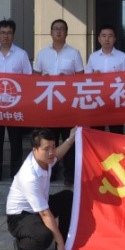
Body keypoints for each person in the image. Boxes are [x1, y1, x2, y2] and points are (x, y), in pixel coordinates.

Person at [6, 127, 75, 250]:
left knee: (68, 197)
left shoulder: (45, 159)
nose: (51, 152)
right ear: (35, 149)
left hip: (37, 208)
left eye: (53, 147)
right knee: (44, 237)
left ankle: (60, 245)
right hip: (19, 217)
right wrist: (60, 242)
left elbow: (57, 155)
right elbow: (45, 213)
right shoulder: (29, 176)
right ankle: (20, 244)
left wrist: (70, 138)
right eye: (46, 149)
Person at [33, 19, 84, 186]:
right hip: (49, 104)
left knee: (69, 139)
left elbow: (81, 78)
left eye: (62, 29)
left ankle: (70, 175)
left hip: (67, 104)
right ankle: (50, 172)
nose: (59, 31)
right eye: (55, 29)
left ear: (66, 33)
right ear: (51, 32)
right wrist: (44, 78)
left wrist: (67, 79)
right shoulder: (42, 53)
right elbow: (34, 78)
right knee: (49, 139)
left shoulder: (74, 53)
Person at [0, 19, 32, 184]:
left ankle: (16, 173)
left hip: (15, 105)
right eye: (2, 33)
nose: (5, 36)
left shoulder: (21, 54)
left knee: (16, 141)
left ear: (13, 35)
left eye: (9, 33)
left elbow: (28, 79)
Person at [86, 24, 125, 134]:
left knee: (116, 133)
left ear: (114, 39)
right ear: (99, 39)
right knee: (97, 132)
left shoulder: (122, 56)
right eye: (104, 36)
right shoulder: (93, 57)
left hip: (116, 100)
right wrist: (93, 75)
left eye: (110, 36)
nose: (107, 39)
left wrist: (119, 76)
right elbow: (86, 77)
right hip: (98, 100)